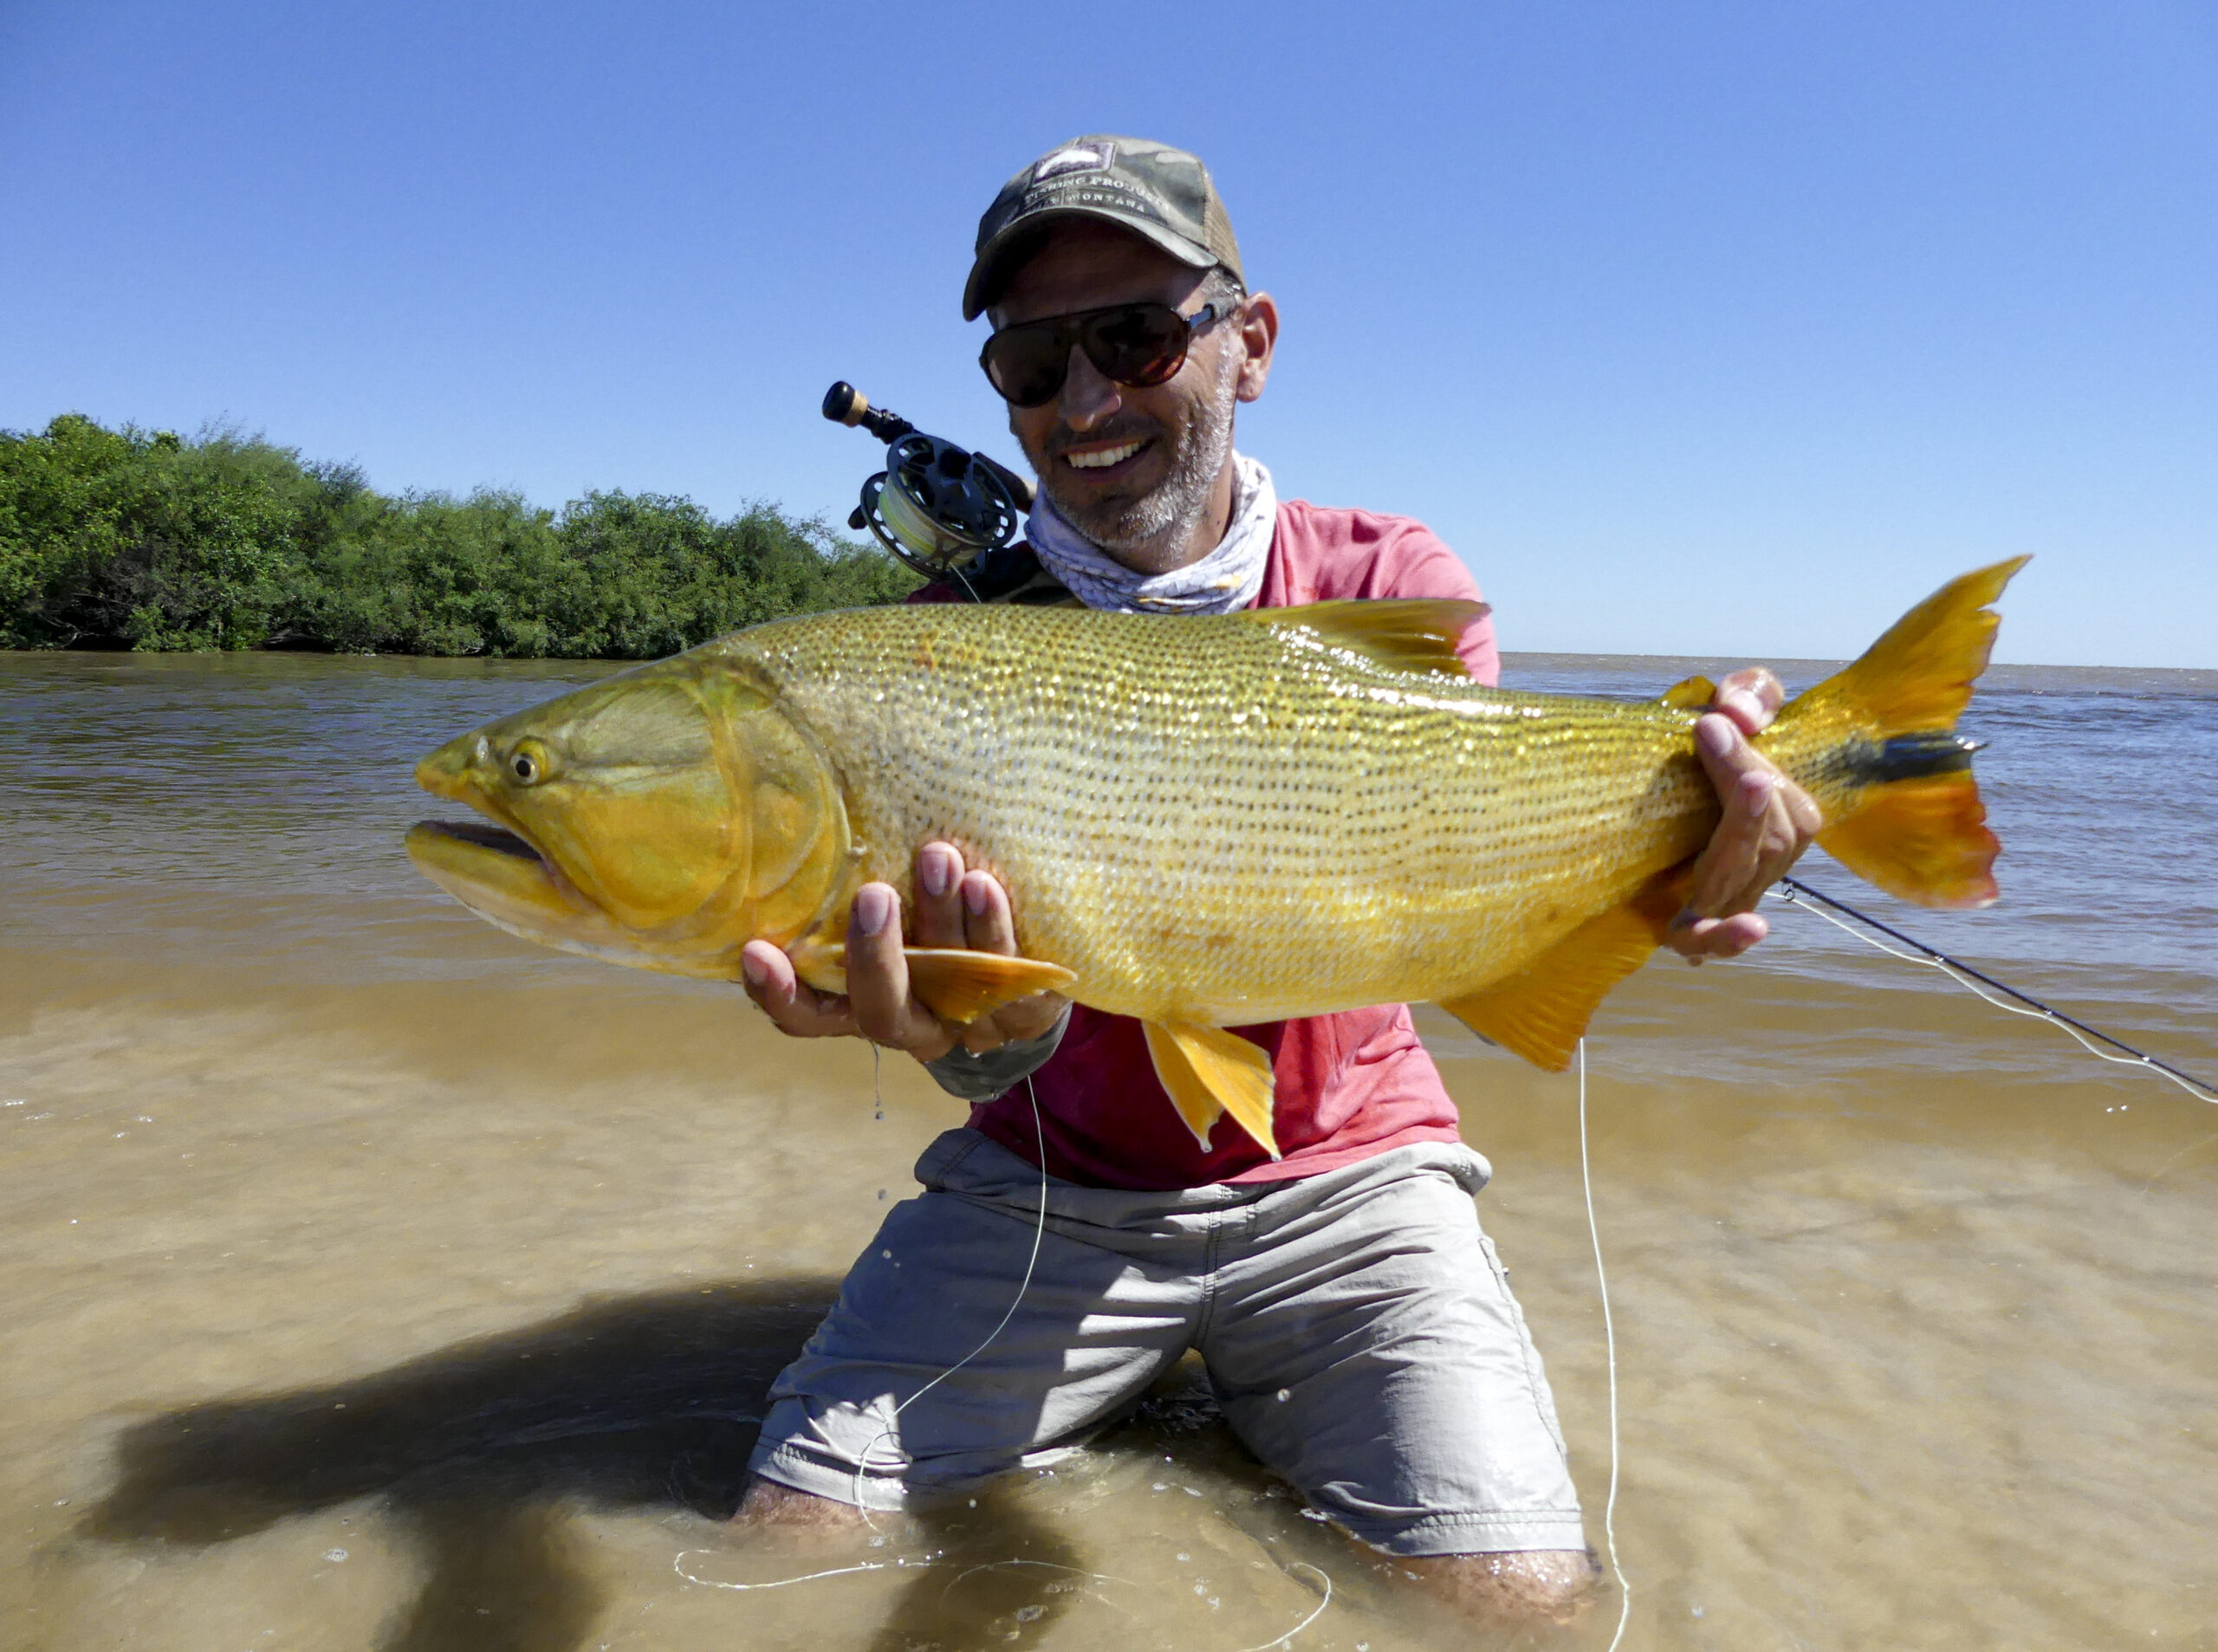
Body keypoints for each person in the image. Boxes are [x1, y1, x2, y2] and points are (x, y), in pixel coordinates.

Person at [735, 135, 1819, 1627]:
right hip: (1044, 1186)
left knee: (1518, 1607)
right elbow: (987, 1039)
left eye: (1132, 336)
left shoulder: (1389, 576)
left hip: (1352, 1184)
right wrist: (987, 1034)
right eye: (1032, 364)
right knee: (777, 1558)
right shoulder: (931, 648)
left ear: (1249, 343)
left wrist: (1668, 872)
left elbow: (1456, 894)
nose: (1087, 401)